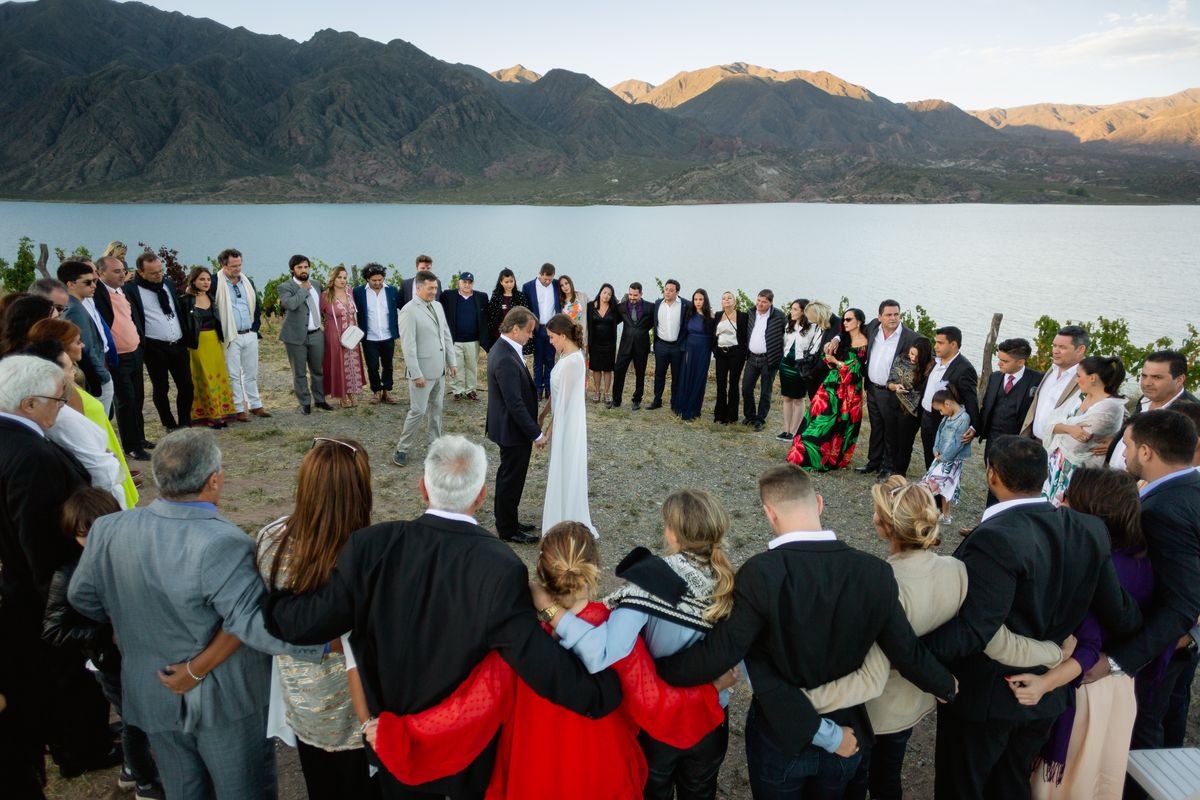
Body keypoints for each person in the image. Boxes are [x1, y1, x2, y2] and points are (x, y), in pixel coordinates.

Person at [263, 435, 623, 799]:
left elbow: (310, 622)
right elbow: (535, 660)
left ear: (423, 488)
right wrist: (599, 694)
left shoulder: (371, 547)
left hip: (393, 743)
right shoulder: (500, 568)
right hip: (462, 760)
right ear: (481, 495)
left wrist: (269, 605)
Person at [656, 464, 957, 798]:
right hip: (847, 729)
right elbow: (906, 650)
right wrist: (945, 685)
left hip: (779, 737)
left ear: (770, 513)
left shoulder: (759, 573)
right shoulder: (874, 573)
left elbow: (723, 651)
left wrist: (657, 672)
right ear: (819, 503)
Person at [367, 520, 726, 798]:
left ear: (541, 571)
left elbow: (468, 709)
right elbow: (653, 701)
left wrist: (397, 734)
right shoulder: (616, 632)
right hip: (600, 768)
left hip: (532, 767)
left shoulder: (517, 640)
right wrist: (711, 692)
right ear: (594, 567)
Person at [68, 429, 328, 800]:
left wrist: (128, 623)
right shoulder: (223, 542)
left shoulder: (109, 530)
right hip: (224, 702)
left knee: (184, 790)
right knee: (244, 790)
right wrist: (324, 645)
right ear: (214, 480)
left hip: (151, 687)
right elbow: (252, 623)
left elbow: (83, 598)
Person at [802, 476, 1062, 800]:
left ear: (884, 527)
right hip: (914, 704)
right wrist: (1053, 653)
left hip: (873, 710)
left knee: (855, 781)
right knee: (888, 778)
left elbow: (859, 659)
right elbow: (997, 641)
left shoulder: (880, 584)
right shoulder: (957, 570)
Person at [921, 435, 1143, 799]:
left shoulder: (994, 538)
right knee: (1011, 784)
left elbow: (976, 629)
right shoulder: (1089, 530)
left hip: (988, 697)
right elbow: (1119, 612)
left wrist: (908, 654)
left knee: (963, 786)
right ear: (1043, 476)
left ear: (992, 475)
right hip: (1046, 694)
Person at [538, 488, 740, 800]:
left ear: (671, 533)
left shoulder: (652, 580)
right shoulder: (731, 581)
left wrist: (552, 613)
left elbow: (603, 653)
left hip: (660, 722)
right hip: (713, 715)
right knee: (700, 791)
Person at [1004, 468, 1168, 800]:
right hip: (1119, 687)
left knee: (1062, 785)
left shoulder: (1101, 565)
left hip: (1083, 687)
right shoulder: (1140, 558)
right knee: (1096, 780)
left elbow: (1088, 642)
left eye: (1069, 495)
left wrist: (1044, 684)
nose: (1060, 500)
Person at [0, 355, 118, 786]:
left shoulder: (12, 438)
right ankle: (82, 748)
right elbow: (40, 539)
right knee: (66, 674)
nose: (63, 405)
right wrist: (67, 596)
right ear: (29, 404)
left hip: (18, 587)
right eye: (57, 398)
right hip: (43, 590)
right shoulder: (31, 454)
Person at [256, 437, 380, 800]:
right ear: (360, 490)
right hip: (359, 700)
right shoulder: (368, 552)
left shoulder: (271, 541)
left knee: (321, 783)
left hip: (302, 695)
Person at [42, 488, 166, 800]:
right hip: (109, 663)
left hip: (140, 656)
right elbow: (53, 629)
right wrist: (102, 635)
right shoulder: (68, 574)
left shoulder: (130, 556)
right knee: (135, 724)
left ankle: (131, 769)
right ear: (72, 533)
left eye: (101, 530)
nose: (94, 541)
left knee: (139, 721)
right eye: (85, 535)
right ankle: (144, 783)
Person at [1105, 410, 1200, 770]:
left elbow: (1181, 603)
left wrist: (1119, 662)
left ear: (1146, 452)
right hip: (1179, 643)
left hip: (1159, 648)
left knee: (1139, 735)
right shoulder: (1191, 486)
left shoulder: (1163, 510)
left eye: (1128, 445)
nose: (1124, 453)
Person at [23, 333, 138, 508]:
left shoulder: (56, 404)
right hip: (104, 497)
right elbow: (99, 470)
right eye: (69, 369)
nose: (74, 373)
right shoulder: (59, 414)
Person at [486, 307, 544, 543]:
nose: (531, 336)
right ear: (516, 328)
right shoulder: (504, 356)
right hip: (512, 430)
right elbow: (514, 403)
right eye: (529, 331)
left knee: (512, 478)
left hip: (512, 428)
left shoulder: (506, 349)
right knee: (510, 479)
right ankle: (507, 530)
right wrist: (536, 434)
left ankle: (510, 520)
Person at [787, 307, 869, 472]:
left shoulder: (864, 342)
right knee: (816, 420)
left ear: (858, 322)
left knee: (836, 427)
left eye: (848, 320)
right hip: (830, 387)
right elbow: (829, 360)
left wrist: (836, 362)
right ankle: (801, 453)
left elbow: (856, 372)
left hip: (849, 393)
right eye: (844, 319)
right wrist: (829, 352)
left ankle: (824, 459)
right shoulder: (841, 338)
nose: (844, 322)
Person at [843, 300, 917, 479]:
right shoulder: (873, 328)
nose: (893, 318)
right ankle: (873, 462)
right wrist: (837, 339)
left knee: (890, 430)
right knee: (876, 427)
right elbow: (853, 328)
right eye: (889, 315)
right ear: (879, 316)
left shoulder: (910, 337)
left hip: (891, 391)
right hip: (872, 388)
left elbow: (924, 355)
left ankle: (887, 467)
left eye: (896, 314)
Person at [1042, 355, 1126, 506]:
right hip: (1056, 466)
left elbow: (1078, 442)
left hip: (1079, 473)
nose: (1076, 380)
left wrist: (1061, 428)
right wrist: (1069, 428)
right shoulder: (1080, 396)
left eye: (1079, 376)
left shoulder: (1110, 407)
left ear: (1092, 378)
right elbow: (1048, 422)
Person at [392, 270, 456, 468]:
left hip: (440, 370)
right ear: (418, 287)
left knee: (437, 410)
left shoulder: (437, 305)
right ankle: (402, 449)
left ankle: (435, 446)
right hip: (422, 373)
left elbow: (445, 335)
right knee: (417, 411)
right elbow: (408, 346)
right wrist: (416, 373)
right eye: (430, 288)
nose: (434, 292)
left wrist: (451, 362)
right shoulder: (408, 311)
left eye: (435, 288)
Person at [538, 314, 594, 536]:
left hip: (568, 425)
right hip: (562, 419)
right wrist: (542, 415)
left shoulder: (573, 361)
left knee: (566, 467)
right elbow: (556, 393)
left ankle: (565, 517)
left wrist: (548, 433)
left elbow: (564, 404)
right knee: (561, 467)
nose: (550, 341)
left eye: (552, 337)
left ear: (562, 336)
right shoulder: (565, 354)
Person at [92, 254, 151, 459]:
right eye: (116, 271)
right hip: (118, 357)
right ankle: (132, 446)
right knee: (126, 400)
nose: (122, 274)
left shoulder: (123, 291)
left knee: (138, 397)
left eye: (123, 270)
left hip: (135, 352)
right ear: (101, 273)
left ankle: (140, 437)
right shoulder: (98, 294)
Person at [1102, 349, 1197, 469]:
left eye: (1157, 377)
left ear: (1179, 380)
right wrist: (1118, 440)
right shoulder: (1145, 399)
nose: (1147, 383)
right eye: (1144, 376)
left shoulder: (1191, 415)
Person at [976, 338, 1042, 507]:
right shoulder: (996, 377)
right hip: (993, 440)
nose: (999, 364)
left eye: (1005, 361)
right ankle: (988, 519)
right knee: (993, 482)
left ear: (1020, 362)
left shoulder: (1037, 381)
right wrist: (974, 428)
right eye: (999, 359)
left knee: (1013, 487)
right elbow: (986, 408)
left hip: (1018, 445)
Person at [133, 251, 194, 433]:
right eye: (153, 273)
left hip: (178, 344)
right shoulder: (132, 291)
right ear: (141, 272)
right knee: (161, 387)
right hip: (154, 347)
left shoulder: (167, 283)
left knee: (186, 385)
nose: (159, 275)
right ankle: (169, 423)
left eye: (160, 270)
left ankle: (185, 422)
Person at [214, 248, 269, 421]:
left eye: (239, 265)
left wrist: (255, 328)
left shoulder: (247, 281)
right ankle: (238, 408)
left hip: (249, 333)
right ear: (223, 264)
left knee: (251, 371)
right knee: (233, 373)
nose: (237, 269)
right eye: (233, 266)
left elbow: (255, 306)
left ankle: (255, 405)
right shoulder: (215, 282)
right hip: (230, 335)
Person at [178, 267, 236, 429]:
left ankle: (221, 413)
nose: (206, 282)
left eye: (208, 279)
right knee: (203, 378)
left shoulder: (211, 297)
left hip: (214, 342)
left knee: (218, 377)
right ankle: (209, 416)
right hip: (197, 344)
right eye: (202, 279)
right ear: (193, 281)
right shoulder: (185, 300)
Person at [919, 326, 980, 471]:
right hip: (926, 417)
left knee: (942, 463)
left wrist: (974, 427)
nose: (935, 346)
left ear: (953, 344)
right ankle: (930, 489)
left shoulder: (965, 369)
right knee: (929, 458)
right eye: (936, 342)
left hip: (944, 423)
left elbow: (971, 400)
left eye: (940, 343)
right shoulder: (936, 360)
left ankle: (938, 493)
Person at [278, 254, 331, 415]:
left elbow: (325, 304)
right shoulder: (285, 286)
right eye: (299, 267)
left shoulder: (316, 284)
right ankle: (305, 403)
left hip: (316, 334)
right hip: (295, 337)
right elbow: (290, 304)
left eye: (306, 267)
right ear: (292, 270)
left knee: (318, 370)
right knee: (299, 372)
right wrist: (302, 290)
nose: (303, 270)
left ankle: (320, 400)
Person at [57, 261, 112, 409]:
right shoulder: (75, 310)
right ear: (71, 285)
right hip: (97, 375)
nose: (94, 285)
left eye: (94, 281)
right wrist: (104, 378)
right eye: (87, 282)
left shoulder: (77, 305)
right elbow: (86, 348)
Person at [1023, 325, 1089, 444]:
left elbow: (1111, 406)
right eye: (1054, 346)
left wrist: (1109, 440)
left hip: (1058, 449)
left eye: (1062, 347)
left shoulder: (1090, 377)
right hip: (1032, 442)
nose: (1055, 351)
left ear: (1080, 349)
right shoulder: (1052, 369)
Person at [921, 387, 973, 524]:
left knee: (934, 484)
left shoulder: (963, 419)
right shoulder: (947, 417)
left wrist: (944, 457)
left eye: (940, 409)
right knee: (942, 486)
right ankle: (945, 515)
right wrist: (936, 448)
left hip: (951, 460)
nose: (941, 413)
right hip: (940, 457)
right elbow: (939, 432)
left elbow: (958, 443)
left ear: (947, 404)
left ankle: (924, 510)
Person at [884, 336, 933, 479]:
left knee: (905, 444)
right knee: (891, 439)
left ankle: (899, 474)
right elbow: (889, 382)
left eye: (917, 356)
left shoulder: (930, 367)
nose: (913, 358)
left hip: (912, 411)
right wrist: (895, 387)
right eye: (912, 353)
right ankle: (888, 469)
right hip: (893, 404)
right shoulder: (901, 359)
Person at [440, 271, 492, 401]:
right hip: (455, 339)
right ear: (459, 282)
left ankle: (470, 390)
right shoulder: (448, 296)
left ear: (472, 283)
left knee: (471, 366)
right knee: (456, 366)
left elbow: (487, 317)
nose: (467, 285)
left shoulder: (481, 297)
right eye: (464, 282)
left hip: (473, 340)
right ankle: (457, 391)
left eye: (469, 282)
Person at [353, 262, 401, 405]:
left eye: (380, 280)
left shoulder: (392, 290)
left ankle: (387, 391)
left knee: (388, 365)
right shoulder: (358, 292)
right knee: (372, 366)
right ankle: (376, 391)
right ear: (367, 278)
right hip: (369, 337)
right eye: (374, 280)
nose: (377, 283)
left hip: (388, 335)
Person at [320, 265, 366, 408]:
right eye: (339, 277)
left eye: (345, 277)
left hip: (352, 335)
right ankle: (342, 395)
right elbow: (316, 315)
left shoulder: (350, 292)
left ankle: (352, 392)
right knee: (338, 363)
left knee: (352, 362)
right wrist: (324, 329)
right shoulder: (326, 295)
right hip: (335, 335)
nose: (342, 280)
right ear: (333, 279)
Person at [741, 289, 786, 432]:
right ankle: (750, 416)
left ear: (770, 303)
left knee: (765, 392)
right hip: (752, 358)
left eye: (764, 302)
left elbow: (790, 332)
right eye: (758, 300)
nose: (760, 304)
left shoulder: (779, 316)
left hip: (769, 359)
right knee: (746, 388)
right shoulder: (751, 312)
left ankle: (760, 419)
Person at [610, 282, 654, 410]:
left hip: (642, 345)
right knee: (618, 371)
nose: (632, 297)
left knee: (640, 373)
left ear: (641, 294)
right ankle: (616, 400)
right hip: (625, 345)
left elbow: (654, 323)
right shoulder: (622, 307)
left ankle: (637, 400)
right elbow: (613, 321)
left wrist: (641, 331)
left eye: (635, 295)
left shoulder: (650, 307)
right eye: (630, 294)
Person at [674, 288, 716, 422]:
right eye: (696, 299)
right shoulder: (689, 313)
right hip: (689, 348)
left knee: (699, 378)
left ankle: (694, 409)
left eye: (701, 299)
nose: (698, 302)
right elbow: (684, 332)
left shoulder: (711, 315)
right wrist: (683, 349)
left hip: (704, 350)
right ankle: (682, 406)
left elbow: (714, 336)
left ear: (705, 300)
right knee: (686, 376)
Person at [523, 262, 560, 399]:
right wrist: (529, 329)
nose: (548, 281)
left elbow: (570, 292)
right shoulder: (528, 287)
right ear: (540, 274)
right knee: (538, 360)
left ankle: (549, 389)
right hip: (537, 328)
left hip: (552, 328)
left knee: (550, 360)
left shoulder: (556, 285)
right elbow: (526, 309)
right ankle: (537, 389)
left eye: (550, 279)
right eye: (545, 279)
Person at [712, 290, 748, 424]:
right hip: (721, 353)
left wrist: (743, 352)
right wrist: (715, 350)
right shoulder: (717, 315)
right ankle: (719, 414)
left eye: (729, 298)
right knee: (720, 384)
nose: (726, 300)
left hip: (736, 354)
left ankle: (731, 416)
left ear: (734, 301)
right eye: (724, 298)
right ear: (721, 302)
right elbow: (713, 335)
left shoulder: (742, 316)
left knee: (733, 384)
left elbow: (745, 336)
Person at [650, 279, 686, 410]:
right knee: (659, 374)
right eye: (666, 289)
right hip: (661, 345)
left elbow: (699, 311)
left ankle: (674, 402)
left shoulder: (685, 305)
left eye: (671, 290)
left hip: (677, 346)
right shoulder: (658, 304)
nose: (668, 292)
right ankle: (657, 400)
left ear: (677, 292)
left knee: (676, 376)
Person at [778, 299, 810, 440]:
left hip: (800, 366)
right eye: (791, 308)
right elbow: (785, 344)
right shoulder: (789, 324)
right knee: (786, 397)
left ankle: (794, 431)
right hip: (785, 364)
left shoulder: (812, 328)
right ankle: (786, 429)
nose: (791, 311)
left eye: (795, 309)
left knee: (798, 399)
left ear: (804, 311)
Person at [586, 283, 618, 404]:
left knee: (608, 369)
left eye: (609, 294)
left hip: (609, 344)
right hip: (594, 344)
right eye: (604, 292)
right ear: (600, 293)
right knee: (596, 369)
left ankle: (607, 393)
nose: (606, 296)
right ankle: (597, 392)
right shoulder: (591, 306)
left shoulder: (614, 308)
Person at [485, 268, 531, 350]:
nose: (509, 284)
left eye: (511, 281)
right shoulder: (496, 296)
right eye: (506, 282)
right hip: (499, 334)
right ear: (501, 282)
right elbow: (490, 316)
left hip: (516, 334)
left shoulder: (520, 296)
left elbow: (526, 315)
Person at [557, 274, 589, 341]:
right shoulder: (561, 302)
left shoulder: (582, 296)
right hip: (568, 337)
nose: (565, 287)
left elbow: (594, 307)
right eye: (562, 285)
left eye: (566, 283)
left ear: (570, 283)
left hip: (582, 335)